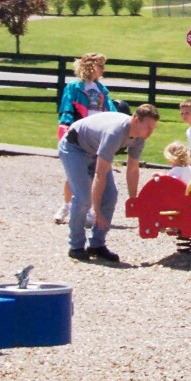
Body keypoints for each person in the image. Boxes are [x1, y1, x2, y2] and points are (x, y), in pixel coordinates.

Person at [58, 103, 160, 263]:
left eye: (153, 128)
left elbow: (133, 169)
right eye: (148, 127)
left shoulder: (139, 138)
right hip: (74, 147)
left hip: (94, 150)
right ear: (135, 120)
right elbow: (100, 175)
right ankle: (76, 246)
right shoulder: (115, 133)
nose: (150, 132)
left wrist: (133, 200)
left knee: (111, 196)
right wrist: (95, 209)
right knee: (83, 197)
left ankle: (97, 245)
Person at [54, 53, 117, 224]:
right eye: (100, 65)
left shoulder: (102, 90)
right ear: (90, 66)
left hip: (97, 136)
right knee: (75, 174)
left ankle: (91, 210)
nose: (103, 69)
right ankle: (66, 206)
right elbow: (66, 109)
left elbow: (111, 111)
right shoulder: (74, 88)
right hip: (79, 135)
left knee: (96, 174)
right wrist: (65, 128)